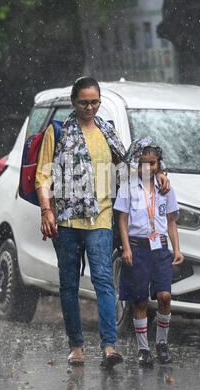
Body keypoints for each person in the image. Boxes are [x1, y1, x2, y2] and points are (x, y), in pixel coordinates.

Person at [35, 77, 170, 367]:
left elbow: (130, 166)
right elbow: (43, 175)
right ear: (73, 102)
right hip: (67, 222)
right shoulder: (57, 132)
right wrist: (47, 210)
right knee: (69, 285)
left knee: (104, 282)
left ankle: (109, 346)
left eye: (94, 102)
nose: (89, 107)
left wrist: (159, 174)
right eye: (83, 102)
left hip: (101, 219)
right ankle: (76, 346)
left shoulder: (107, 131)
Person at [114, 138, 184, 366]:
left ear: (158, 164)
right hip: (137, 247)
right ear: (136, 164)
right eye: (143, 163)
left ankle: (162, 343)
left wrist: (177, 248)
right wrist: (126, 248)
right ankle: (144, 349)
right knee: (140, 300)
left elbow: (171, 220)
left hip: (160, 248)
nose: (148, 168)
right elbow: (122, 219)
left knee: (165, 296)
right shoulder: (128, 187)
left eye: (153, 163)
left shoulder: (165, 187)